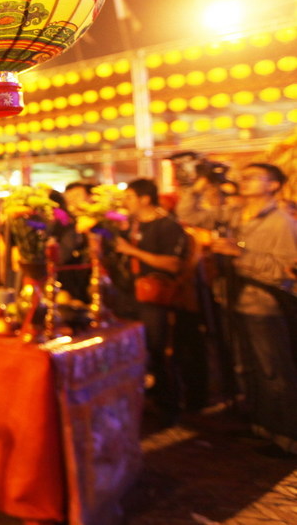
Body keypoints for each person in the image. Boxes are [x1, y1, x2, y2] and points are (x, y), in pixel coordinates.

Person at [184, 163, 297, 455]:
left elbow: (286, 270)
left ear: (273, 185)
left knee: (273, 370)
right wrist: (198, 187)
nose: (244, 181)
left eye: (253, 177)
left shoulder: (281, 222)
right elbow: (188, 216)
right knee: (246, 367)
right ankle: (261, 426)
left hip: (263, 306)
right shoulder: (234, 213)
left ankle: (287, 437)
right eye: (243, 176)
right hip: (232, 301)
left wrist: (240, 254)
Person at [114, 178, 203, 427]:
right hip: (128, 295)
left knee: (158, 350)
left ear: (145, 199)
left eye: (129, 197)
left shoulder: (167, 226)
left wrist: (134, 252)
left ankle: (169, 406)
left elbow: (173, 264)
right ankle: (141, 400)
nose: (125, 202)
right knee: (131, 351)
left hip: (155, 299)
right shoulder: (129, 225)